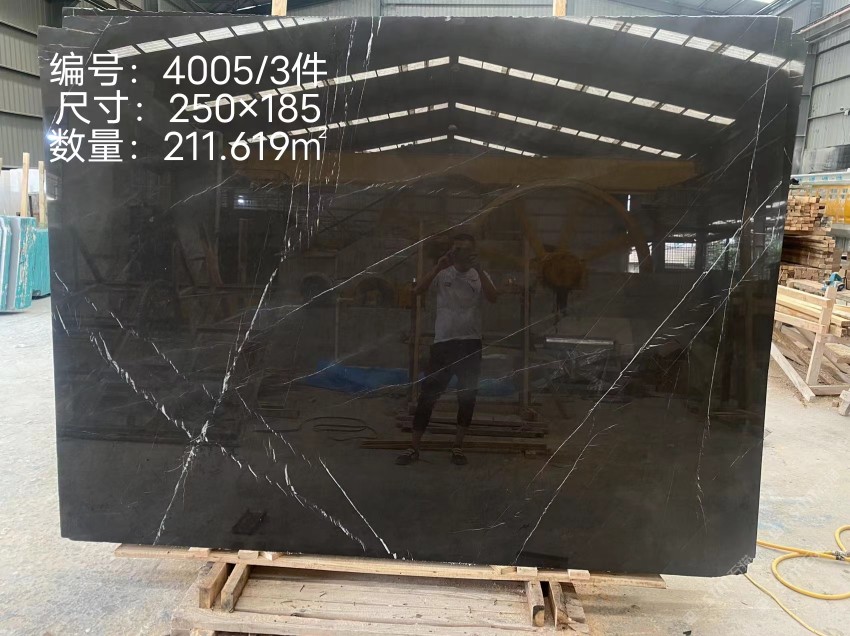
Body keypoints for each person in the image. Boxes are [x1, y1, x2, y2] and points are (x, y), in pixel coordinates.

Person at [397, 233, 498, 466]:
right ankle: (413, 447)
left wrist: (480, 270)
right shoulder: (443, 274)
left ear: (472, 251)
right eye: (457, 249)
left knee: (467, 397)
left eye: (465, 249)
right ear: (451, 251)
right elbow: (418, 291)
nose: (460, 253)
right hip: (444, 344)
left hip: (470, 343)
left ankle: (457, 447)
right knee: (428, 396)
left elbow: (493, 297)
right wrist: (437, 267)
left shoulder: (479, 275)